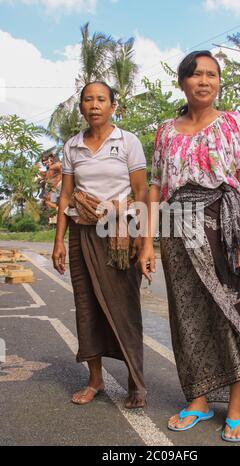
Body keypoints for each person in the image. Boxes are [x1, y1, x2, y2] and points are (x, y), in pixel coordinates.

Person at [139, 51, 240, 441]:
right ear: (182, 82)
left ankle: (236, 406)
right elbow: (155, 186)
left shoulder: (234, 123)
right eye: (196, 74)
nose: (204, 81)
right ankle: (197, 400)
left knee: (230, 312)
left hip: (224, 224)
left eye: (211, 75)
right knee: (185, 317)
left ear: (219, 82)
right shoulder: (165, 130)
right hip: (176, 228)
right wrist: (147, 243)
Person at [52, 81, 148, 409]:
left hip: (120, 233)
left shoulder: (128, 142)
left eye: (101, 99)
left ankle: (136, 382)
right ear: (80, 107)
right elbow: (66, 195)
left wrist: (142, 239)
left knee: (125, 308)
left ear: (112, 106)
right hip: (82, 233)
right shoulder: (72, 146)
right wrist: (59, 242)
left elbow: (141, 191)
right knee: (87, 307)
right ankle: (95, 379)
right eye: (88, 100)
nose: (94, 105)